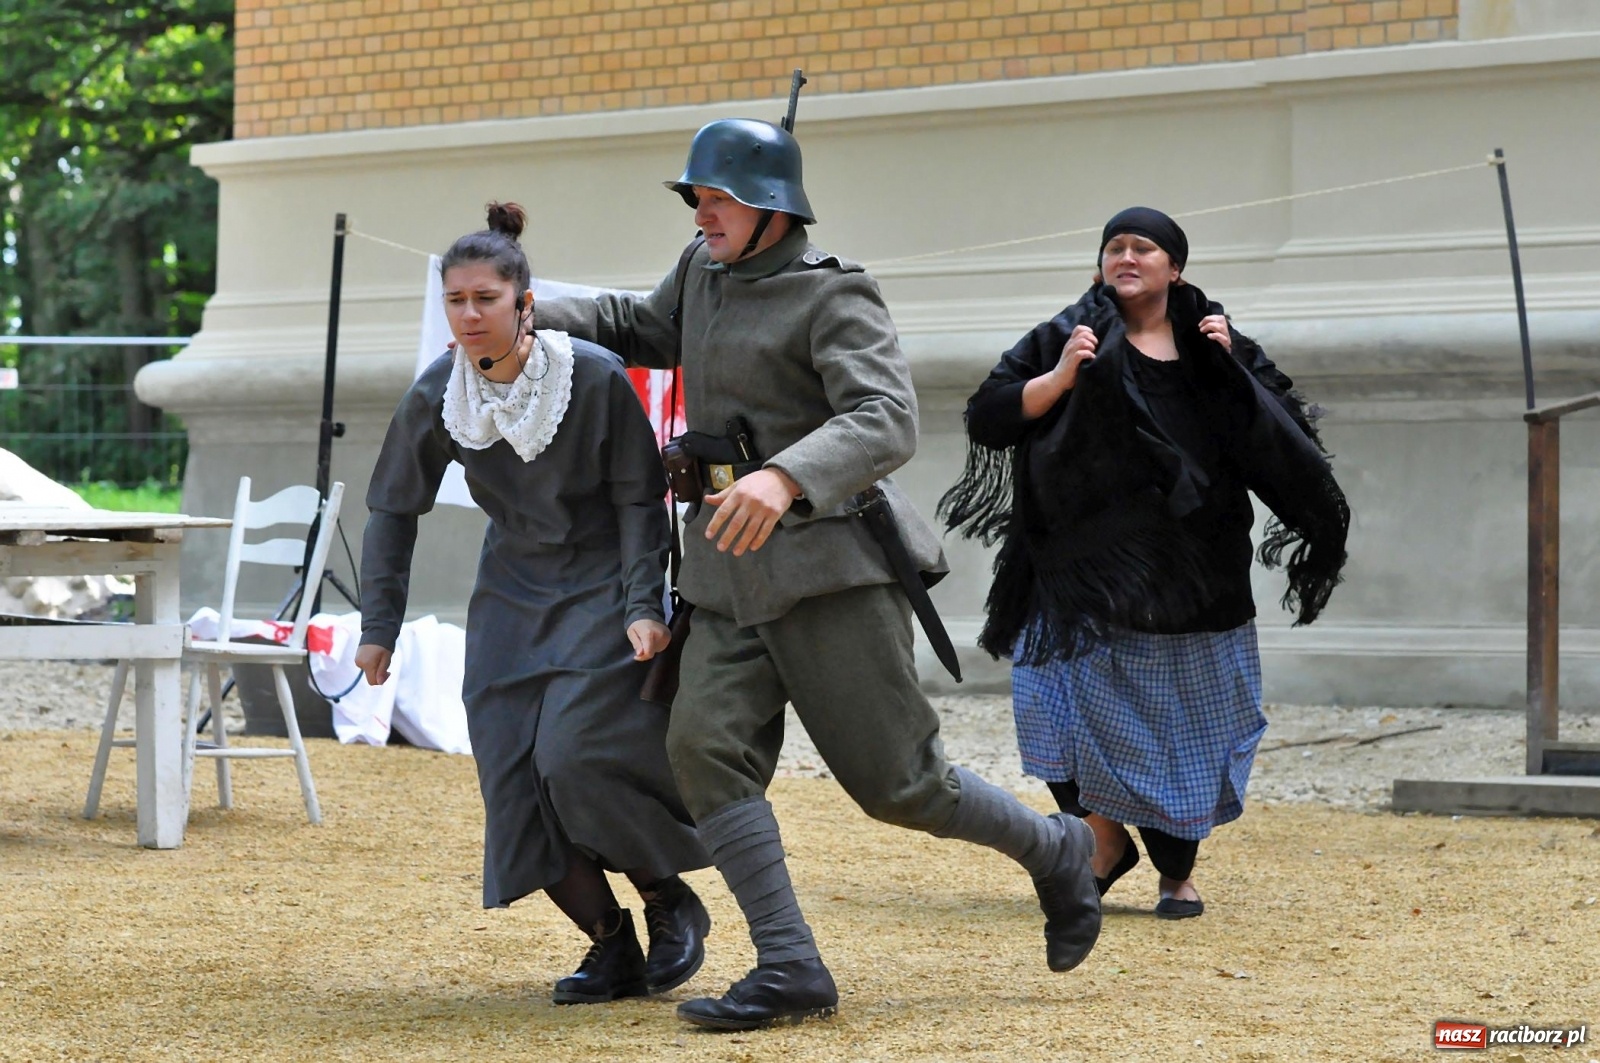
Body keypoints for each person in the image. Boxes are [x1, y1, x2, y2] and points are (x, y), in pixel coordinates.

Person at [529, 118, 1101, 1032]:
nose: (701, 214)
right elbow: (640, 325)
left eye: (717, 200)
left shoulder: (836, 296)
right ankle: (791, 963)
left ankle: (1056, 847)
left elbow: (886, 418)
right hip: (725, 575)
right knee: (703, 749)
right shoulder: (700, 273)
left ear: (770, 209)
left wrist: (786, 472)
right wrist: (530, 303)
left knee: (899, 786)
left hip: (832, 572)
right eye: (697, 199)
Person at [941, 207, 1350, 920]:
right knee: (1052, 708)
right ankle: (1104, 841)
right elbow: (990, 413)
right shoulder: (1068, 333)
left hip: (1196, 573)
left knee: (1186, 724)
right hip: (1083, 569)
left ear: (1175, 268)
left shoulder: (1215, 342)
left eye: (1144, 246)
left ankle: (1175, 869)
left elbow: (1282, 434)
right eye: (1115, 246)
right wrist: (1063, 375)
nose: (1126, 255)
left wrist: (1232, 375)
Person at [353, 202, 712, 1006]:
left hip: (601, 588)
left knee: (576, 757)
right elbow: (391, 508)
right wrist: (379, 629)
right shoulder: (437, 394)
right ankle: (610, 946)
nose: (469, 314)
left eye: (486, 298)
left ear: (524, 302)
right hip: (509, 597)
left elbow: (637, 501)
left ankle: (667, 897)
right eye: (455, 300)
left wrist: (644, 603)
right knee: (513, 780)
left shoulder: (592, 375)